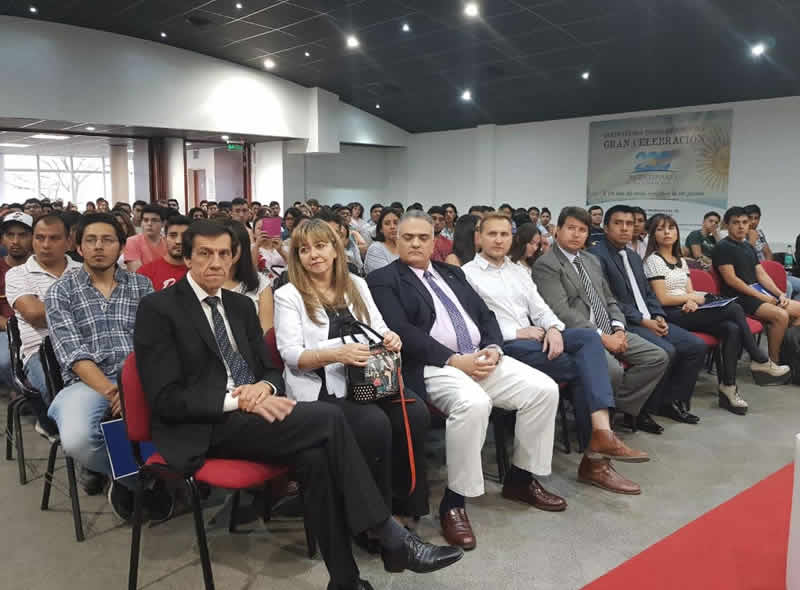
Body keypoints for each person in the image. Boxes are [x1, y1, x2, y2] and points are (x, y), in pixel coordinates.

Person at [134, 220, 462, 589]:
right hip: (204, 424)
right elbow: (164, 398)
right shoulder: (158, 308)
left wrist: (263, 387)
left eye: (224, 254)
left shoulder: (240, 305)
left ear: (234, 257)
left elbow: (270, 369)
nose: (215, 263)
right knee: (329, 417)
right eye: (205, 254)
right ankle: (390, 535)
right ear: (187, 258)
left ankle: (346, 581)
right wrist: (237, 400)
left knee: (316, 456)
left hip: (255, 413)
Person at [368, 210, 564, 552]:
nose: (415, 243)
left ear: (434, 241)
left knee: (544, 390)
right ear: (396, 240)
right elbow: (402, 331)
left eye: (423, 237)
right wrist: (454, 359)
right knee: (474, 404)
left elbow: (485, 315)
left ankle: (520, 479)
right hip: (432, 365)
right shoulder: (383, 279)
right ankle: (454, 502)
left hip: (479, 356)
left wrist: (493, 348)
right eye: (408, 237)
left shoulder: (452, 273)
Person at [464, 214, 648, 494]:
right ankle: (596, 459)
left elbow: (540, 308)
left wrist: (552, 327)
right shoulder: (466, 274)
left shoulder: (517, 271)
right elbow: (473, 324)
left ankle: (601, 437)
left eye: (504, 234)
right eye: (492, 234)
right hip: (506, 345)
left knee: (588, 338)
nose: (499, 240)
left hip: (537, 338)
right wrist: (516, 332)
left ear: (512, 238)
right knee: (588, 367)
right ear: (479, 237)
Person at [274, 219, 432, 534]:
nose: (313, 255)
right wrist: (336, 354)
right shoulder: (288, 294)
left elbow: (378, 326)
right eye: (304, 250)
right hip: (321, 386)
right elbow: (291, 354)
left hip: (367, 378)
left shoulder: (356, 284)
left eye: (320, 246)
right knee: (373, 423)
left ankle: (405, 504)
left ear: (336, 249)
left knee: (416, 413)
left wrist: (390, 338)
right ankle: (375, 520)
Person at [44, 213, 170, 518]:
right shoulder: (61, 291)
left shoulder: (141, 285)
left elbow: (155, 342)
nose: (99, 246)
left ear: (121, 247)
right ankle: (129, 476)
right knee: (78, 439)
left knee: (182, 413)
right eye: (91, 240)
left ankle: (152, 470)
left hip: (138, 376)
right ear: (79, 247)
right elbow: (73, 353)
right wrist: (114, 393)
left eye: (107, 240)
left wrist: (132, 387)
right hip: (86, 382)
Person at [534, 207, 670, 434]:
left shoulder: (591, 260)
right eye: (571, 228)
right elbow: (562, 312)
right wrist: (603, 338)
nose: (576, 234)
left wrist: (618, 328)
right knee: (613, 371)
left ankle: (611, 407)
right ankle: (600, 420)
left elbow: (609, 299)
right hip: (579, 335)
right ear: (558, 230)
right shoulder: (547, 264)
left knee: (657, 357)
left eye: (582, 230)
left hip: (609, 328)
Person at [643, 214, 790, 414]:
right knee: (734, 308)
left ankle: (728, 389)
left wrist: (692, 299)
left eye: (671, 228)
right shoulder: (653, 260)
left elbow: (689, 290)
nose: (667, 232)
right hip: (669, 313)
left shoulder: (680, 260)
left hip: (688, 308)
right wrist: (693, 298)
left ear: (677, 232)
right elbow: (662, 299)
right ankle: (759, 359)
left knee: (731, 328)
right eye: (660, 229)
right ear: (653, 235)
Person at [590, 205, 707, 427]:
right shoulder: (597, 255)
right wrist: (644, 321)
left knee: (696, 346)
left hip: (649, 318)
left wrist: (658, 315)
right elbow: (608, 299)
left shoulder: (633, 257)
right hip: (625, 322)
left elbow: (648, 293)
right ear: (606, 227)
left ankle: (668, 402)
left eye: (629, 224)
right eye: (618, 223)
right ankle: (637, 410)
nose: (625, 228)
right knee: (667, 351)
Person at [7, 214, 81, 441]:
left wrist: (51, 306)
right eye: (40, 238)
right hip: (40, 351)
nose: (45, 245)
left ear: (68, 242)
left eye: (54, 238)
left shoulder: (83, 270)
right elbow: (35, 315)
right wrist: (82, 307)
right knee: (72, 407)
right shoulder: (18, 274)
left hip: (85, 347)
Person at [713, 206, 800, 364]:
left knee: (798, 310)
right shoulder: (723, 247)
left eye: (744, 222)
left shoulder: (748, 246)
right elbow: (732, 280)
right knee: (781, 316)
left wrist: (779, 294)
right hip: (737, 298)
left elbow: (761, 274)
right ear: (727, 225)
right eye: (736, 222)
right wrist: (761, 296)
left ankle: (788, 356)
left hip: (755, 294)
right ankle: (772, 363)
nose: (741, 226)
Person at [218, 219, 274, 334]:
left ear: (243, 247)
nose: (227, 251)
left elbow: (266, 331)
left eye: (233, 246)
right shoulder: (203, 280)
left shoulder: (260, 282)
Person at [0, 212, 33, 392]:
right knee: (5, 361)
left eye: (22, 235)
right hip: (6, 330)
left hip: (38, 329)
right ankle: (22, 393)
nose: (15, 241)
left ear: (33, 238)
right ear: (2, 239)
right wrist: (13, 327)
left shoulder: (40, 266)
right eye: (10, 235)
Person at [744, 204, 800, 300]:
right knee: (788, 286)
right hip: (753, 276)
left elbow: (768, 253)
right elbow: (745, 257)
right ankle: (784, 308)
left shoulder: (759, 233)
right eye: (750, 218)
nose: (753, 221)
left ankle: (795, 308)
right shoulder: (740, 235)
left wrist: (768, 270)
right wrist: (752, 240)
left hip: (767, 272)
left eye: (756, 218)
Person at [137, 215, 191, 291]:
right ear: (165, 239)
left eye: (184, 236)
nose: (178, 241)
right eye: (173, 236)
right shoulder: (145, 272)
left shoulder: (200, 272)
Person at [123, 205, 166, 272]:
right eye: (145, 220)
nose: (149, 224)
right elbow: (137, 273)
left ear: (163, 223)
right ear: (141, 223)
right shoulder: (132, 241)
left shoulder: (168, 242)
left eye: (154, 220)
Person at [364, 208, 401, 275]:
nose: (392, 227)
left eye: (396, 223)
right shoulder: (376, 249)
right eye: (387, 223)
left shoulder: (405, 246)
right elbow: (387, 276)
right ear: (381, 229)